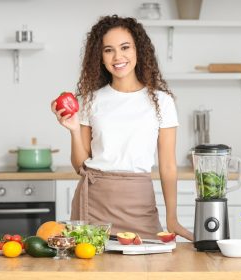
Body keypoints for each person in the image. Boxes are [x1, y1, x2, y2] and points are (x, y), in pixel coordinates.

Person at [51, 15, 193, 241]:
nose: (118, 57)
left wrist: (172, 218)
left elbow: (167, 166)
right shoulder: (90, 100)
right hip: (95, 204)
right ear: (100, 56)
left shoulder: (162, 101)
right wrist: (74, 130)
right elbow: (80, 165)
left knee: (146, 272)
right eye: (108, 50)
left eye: (125, 47)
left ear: (139, 50)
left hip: (140, 205)